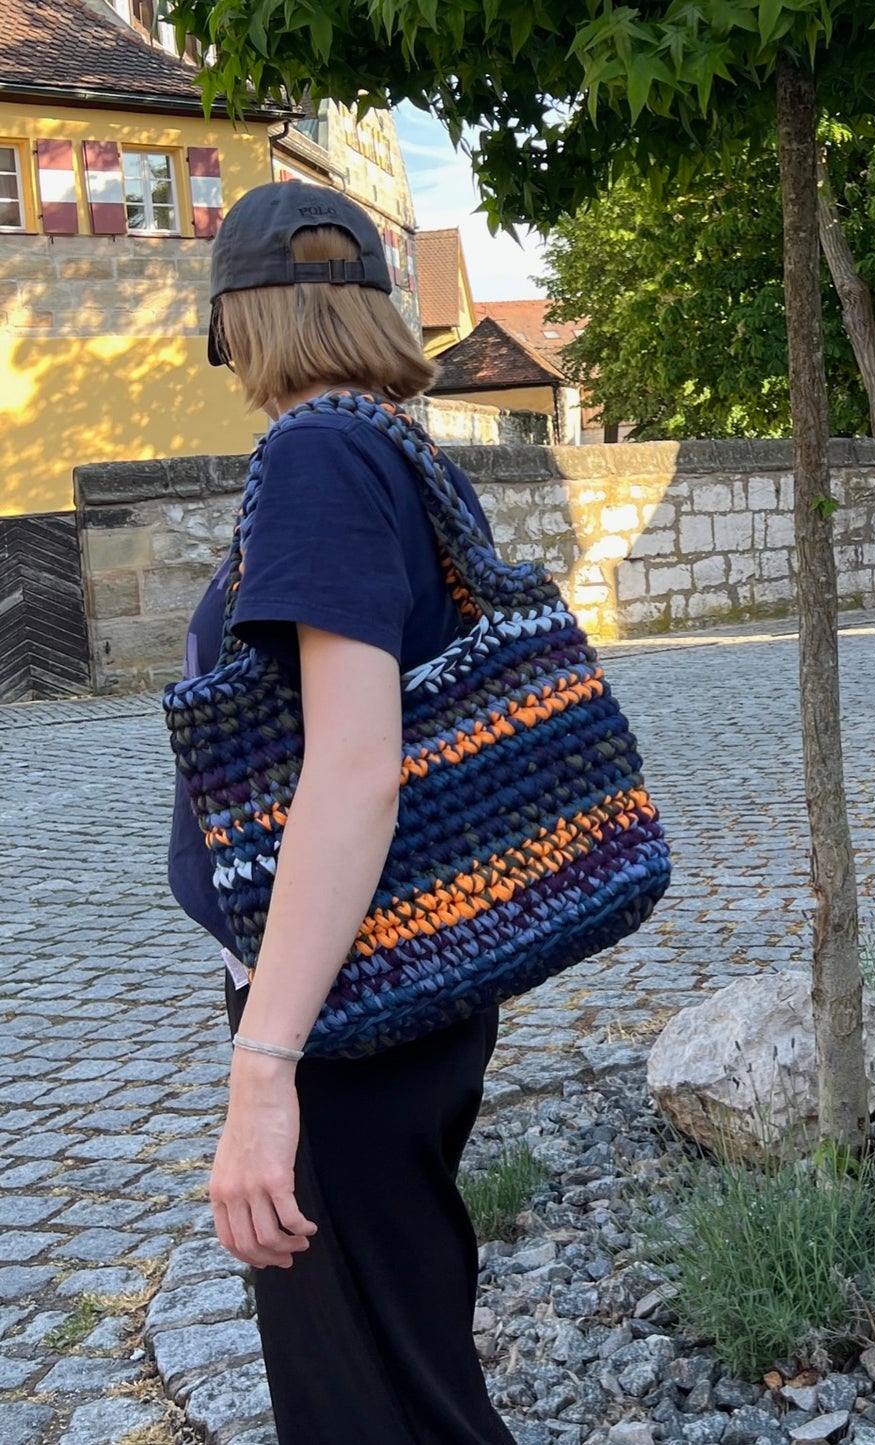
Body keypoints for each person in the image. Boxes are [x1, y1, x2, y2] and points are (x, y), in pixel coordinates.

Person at [167, 182, 518, 1445]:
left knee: (370, 1399)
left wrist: (264, 1069)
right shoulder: (400, 452)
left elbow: (356, 763)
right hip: (410, 967)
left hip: (344, 996)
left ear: (238, 323)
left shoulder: (313, 456)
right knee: (404, 1357)